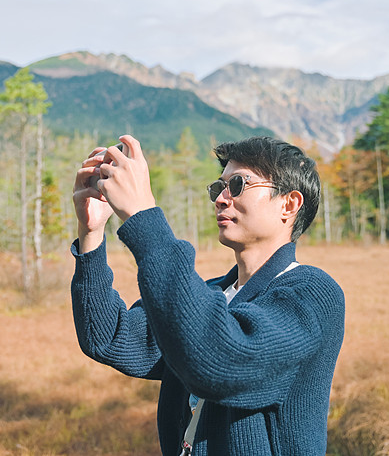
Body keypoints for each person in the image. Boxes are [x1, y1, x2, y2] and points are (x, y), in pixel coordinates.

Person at [70, 134, 345, 455]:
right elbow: (109, 338)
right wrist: (91, 234)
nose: (221, 198)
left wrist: (143, 217)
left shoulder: (312, 294)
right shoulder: (212, 294)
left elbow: (219, 362)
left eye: (239, 184)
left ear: (289, 204)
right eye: (219, 188)